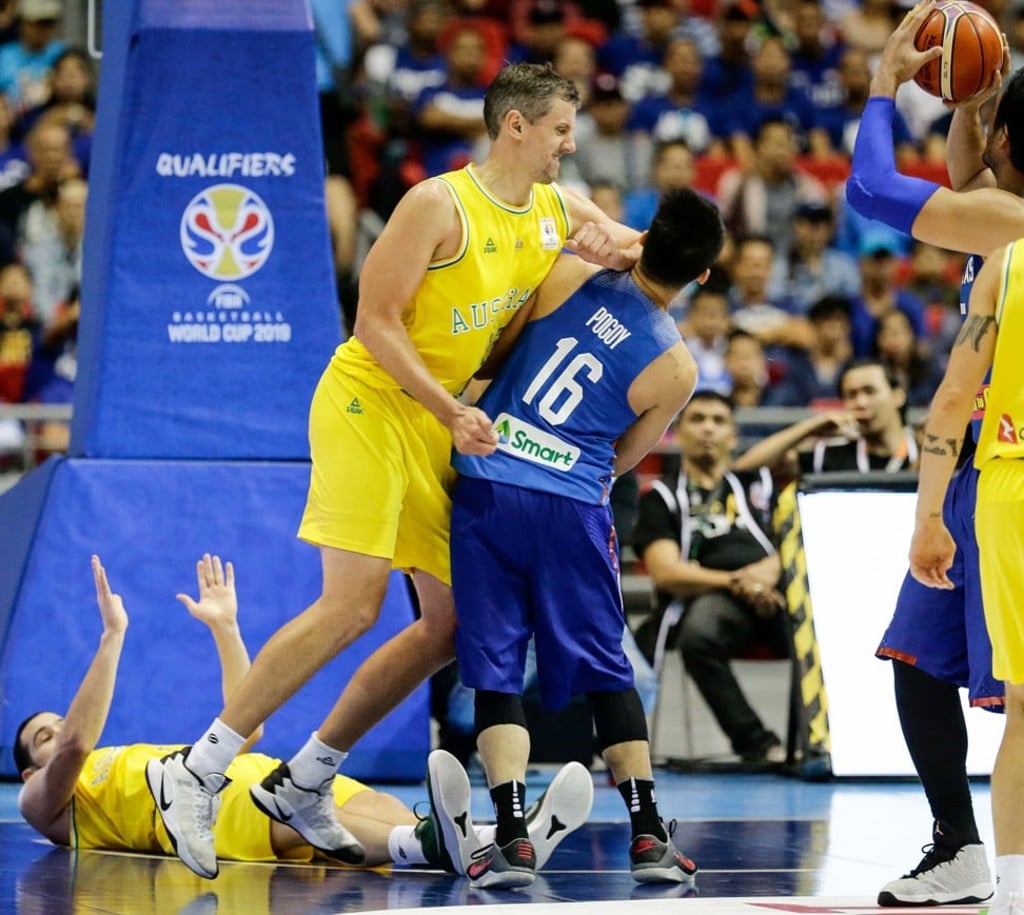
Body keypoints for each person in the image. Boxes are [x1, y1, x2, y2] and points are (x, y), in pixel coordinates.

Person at [147, 61, 643, 881]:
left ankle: (306, 776)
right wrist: (450, 410)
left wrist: (629, 249)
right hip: (368, 401)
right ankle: (193, 769)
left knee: (451, 624)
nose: (569, 143)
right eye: (559, 128)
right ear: (514, 126)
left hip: (433, 420)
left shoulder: (557, 207)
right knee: (353, 604)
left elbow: (634, 249)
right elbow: (372, 322)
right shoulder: (436, 204)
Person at [435, 188, 725, 889]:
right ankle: (649, 833)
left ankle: (509, 836)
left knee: (494, 661)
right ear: (703, 277)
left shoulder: (566, 271)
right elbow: (624, 457)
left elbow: (495, 355)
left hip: (490, 481)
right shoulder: (678, 368)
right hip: (571, 505)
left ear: (646, 234)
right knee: (606, 668)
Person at [14, 554, 591, 872]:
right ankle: (479, 842)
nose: (59, 728)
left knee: (382, 808)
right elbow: (75, 745)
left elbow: (249, 724)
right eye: (42, 733)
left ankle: (503, 840)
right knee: (357, 832)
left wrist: (226, 628)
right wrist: (113, 636)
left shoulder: (129, 755)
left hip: (266, 769)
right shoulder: (45, 800)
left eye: (55, 721)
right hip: (221, 816)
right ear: (27, 769)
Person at [845, 0, 1024, 904]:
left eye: (999, 127)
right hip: (976, 474)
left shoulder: (1007, 222)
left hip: (1000, 470)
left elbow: (874, 191)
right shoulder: (994, 205)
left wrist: (884, 89)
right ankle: (959, 845)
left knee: (1023, 707)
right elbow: (966, 163)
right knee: (917, 660)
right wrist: (975, 94)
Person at [908, 241, 1024, 915]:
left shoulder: (1006, 264)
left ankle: (1012, 891)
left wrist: (929, 514)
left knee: (1023, 704)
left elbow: (954, 395)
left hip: (1007, 484)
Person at [633, 391, 789, 766]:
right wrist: (740, 582)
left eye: (718, 421)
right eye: (698, 419)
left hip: (774, 593)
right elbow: (667, 572)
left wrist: (766, 576)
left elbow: (794, 543)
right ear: (678, 432)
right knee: (699, 633)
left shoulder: (759, 486)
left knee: (820, 628)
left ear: (733, 436)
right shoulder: (662, 496)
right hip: (713, 599)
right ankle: (757, 743)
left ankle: (818, 743)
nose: (707, 428)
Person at [734, 358, 918, 475]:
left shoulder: (925, 453)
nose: (860, 402)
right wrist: (810, 427)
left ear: (897, 396)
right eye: (851, 395)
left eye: (870, 391)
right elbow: (744, 469)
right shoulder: (828, 455)